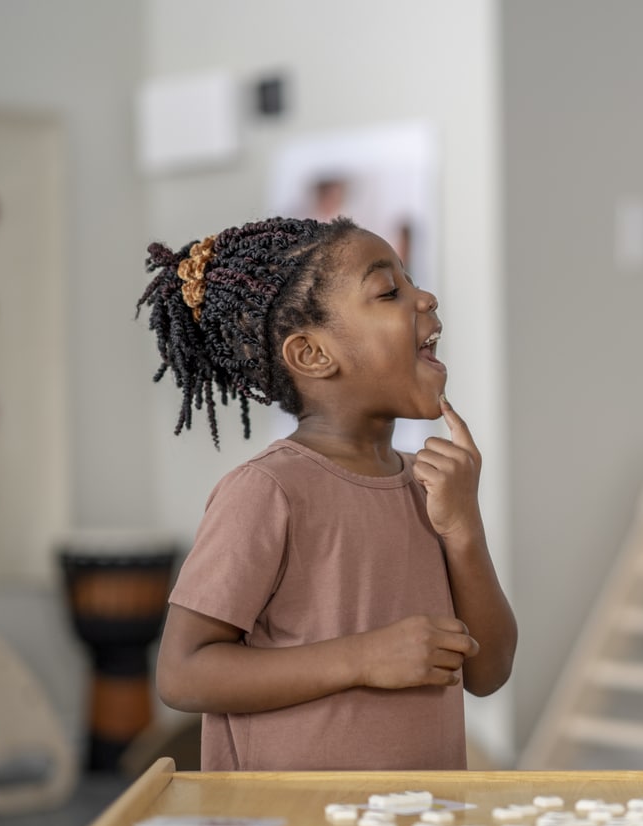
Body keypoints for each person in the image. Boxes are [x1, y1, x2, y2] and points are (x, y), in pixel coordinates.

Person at [136, 216, 517, 770]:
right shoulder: (266, 491)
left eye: (411, 283)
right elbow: (183, 673)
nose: (426, 297)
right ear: (313, 355)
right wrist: (363, 658)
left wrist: (464, 528)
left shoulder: (431, 489)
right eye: (389, 291)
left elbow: (490, 671)